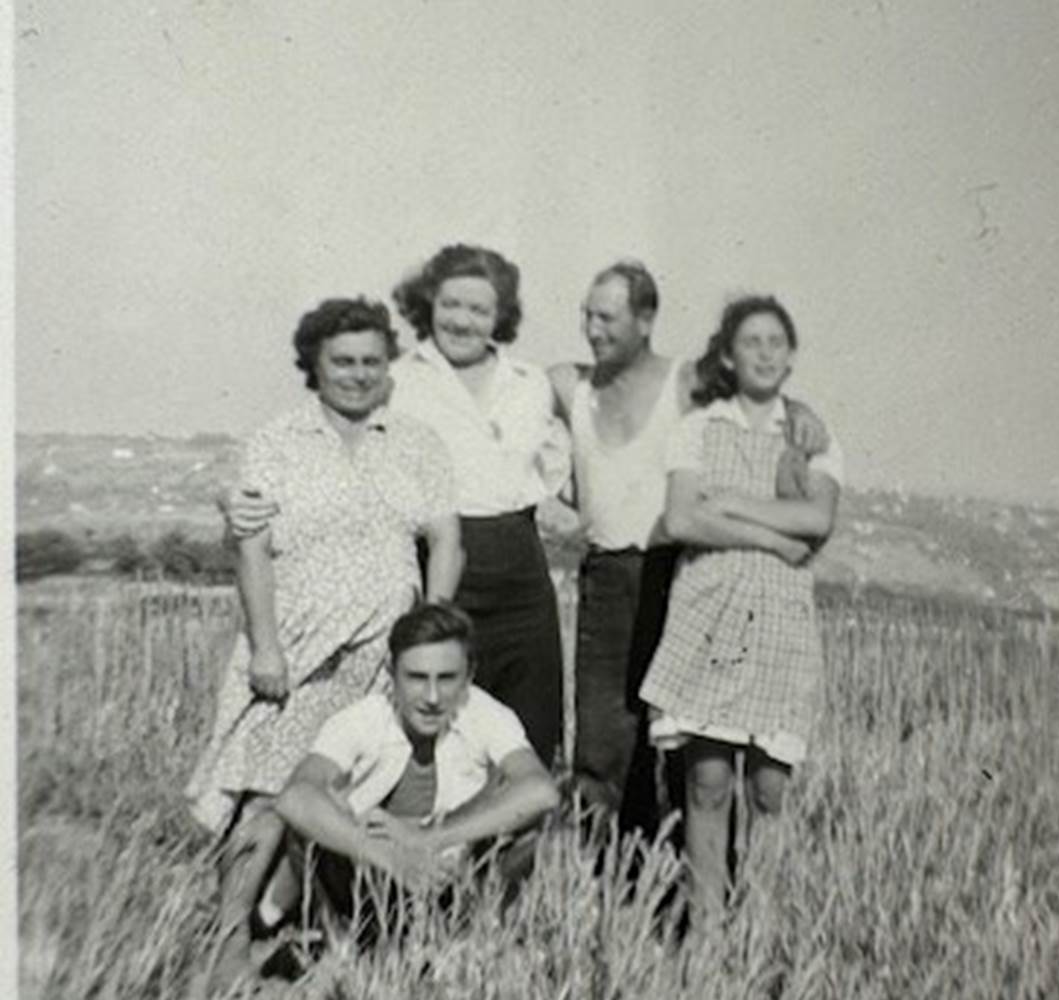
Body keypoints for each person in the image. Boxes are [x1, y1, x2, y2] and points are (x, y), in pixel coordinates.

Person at [185, 297, 463, 990]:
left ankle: (337, 942)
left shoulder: (416, 441)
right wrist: (267, 648)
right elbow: (251, 549)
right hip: (297, 655)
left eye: (372, 361)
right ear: (314, 363)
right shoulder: (277, 442)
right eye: (343, 361)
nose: (359, 375)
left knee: (350, 795)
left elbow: (446, 540)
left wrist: (430, 629)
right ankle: (228, 942)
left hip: (377, 659)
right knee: (266, 794)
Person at [225, 245, 568, 770]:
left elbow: (555, 472)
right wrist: (228, 497)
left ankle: (511, 847)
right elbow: (318, 439)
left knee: (529, 728)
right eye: (451, 304)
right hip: (439, 560)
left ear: (501, 317)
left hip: (522, 568)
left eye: (479, 309)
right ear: (427, 304)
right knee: (435, 728)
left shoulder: (530, 383)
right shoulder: (396, 379)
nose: (463, 320)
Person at [546, 262, 830, 841]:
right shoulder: (566, 385)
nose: (591, 329)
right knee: (601, 744)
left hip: (680, 576)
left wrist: (802, 412)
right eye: (586, 315)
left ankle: (682, 893)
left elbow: (758, 384)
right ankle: (606, 888)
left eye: (606, 317)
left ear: (646, 320)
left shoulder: (683, 382)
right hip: (604, 580)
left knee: (685, 747)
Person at [638, 295, 842, 928]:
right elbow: (679, 518)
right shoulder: (698, 428)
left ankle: (759, 930)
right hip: (709, 612)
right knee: (708, 782)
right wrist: (772, 538)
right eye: (750, 342)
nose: (763, 353)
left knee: (769, 790)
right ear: (727, 354)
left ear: (791, 356)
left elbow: (816, 519)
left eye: (775, 342)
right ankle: (707, 936)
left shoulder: (814, 437)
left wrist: (727, 502)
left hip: (782, 619)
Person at [274, 601, 559, 945]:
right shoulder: (361, 719)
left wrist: (426, 839)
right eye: (417, 678)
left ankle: (477, 940)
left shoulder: (485, 713)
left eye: (447, 678)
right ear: (392, 673)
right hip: (369, 874)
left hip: (452, 876)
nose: (433, 697)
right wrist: (393, 858)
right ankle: (346, 946)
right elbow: (295, 798)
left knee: (534, 830)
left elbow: (541, 791)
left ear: (469, 676)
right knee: (308, 828)